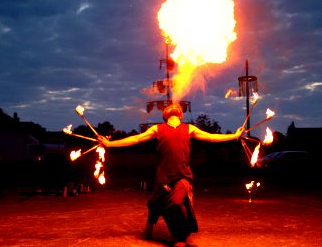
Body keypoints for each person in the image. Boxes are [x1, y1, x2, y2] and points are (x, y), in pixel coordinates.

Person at [98, 103, 245, 246]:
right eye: (170, 107)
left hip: (182, 175)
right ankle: (150, 223)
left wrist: (234, 136)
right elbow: (136, 139)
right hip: (163, 176)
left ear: (181, 115)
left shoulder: (189, 128)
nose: (174, 107)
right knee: (155, 202)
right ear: (165, 115)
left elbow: (211, 137)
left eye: (177, 108)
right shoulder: (158, 128)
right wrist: (110, 144)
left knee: (176, 203)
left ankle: (179, 237)